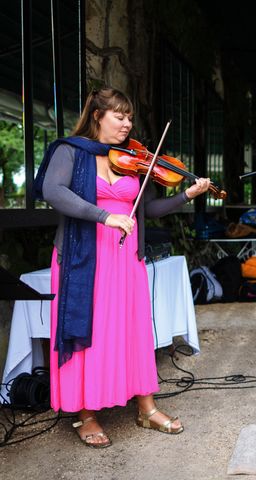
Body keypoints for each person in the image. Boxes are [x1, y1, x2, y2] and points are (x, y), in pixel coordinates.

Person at [33, 87, 211, 447]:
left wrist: (185, 196)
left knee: (132, 331)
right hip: (83, 258)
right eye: (119, 116)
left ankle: (146, 406)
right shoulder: (70, 151)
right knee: (88, 332)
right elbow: (53, 191)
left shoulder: (130, 157)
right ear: (98, 116)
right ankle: (85, 413)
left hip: (125, 258)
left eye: (129, 117)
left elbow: (146, 211)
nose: (127, 123)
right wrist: (104, 215)